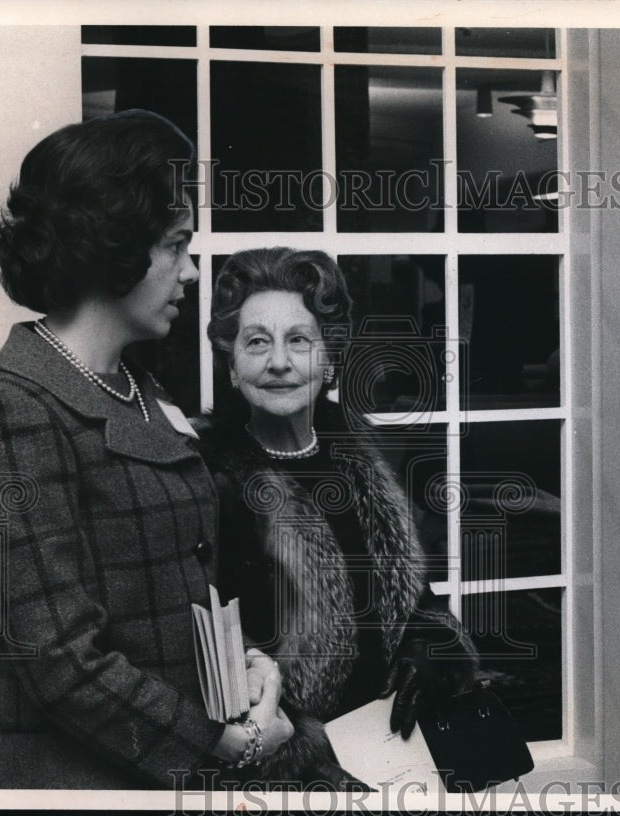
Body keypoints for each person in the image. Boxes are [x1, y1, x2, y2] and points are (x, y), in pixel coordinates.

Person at [0, 110, 293, 789]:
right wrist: (229, 744)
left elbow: (176, 578)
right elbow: (59, 662)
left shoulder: (134, 386)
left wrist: (245, 665)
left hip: (172, 770)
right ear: (111, 247)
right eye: (175, 245)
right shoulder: (15, 411)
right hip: (81, 784)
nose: (192, 271)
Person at [197, 247, 478, 786]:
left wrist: (434, 647)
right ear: (232, 366)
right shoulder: (208, 482)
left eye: (298, 340)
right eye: (257, 342)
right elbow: (205, 667)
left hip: (398, 757)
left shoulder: (362, 460)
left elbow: (416, 601)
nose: (279, 361)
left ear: (328, 358)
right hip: (286, 778)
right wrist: (308, 757)